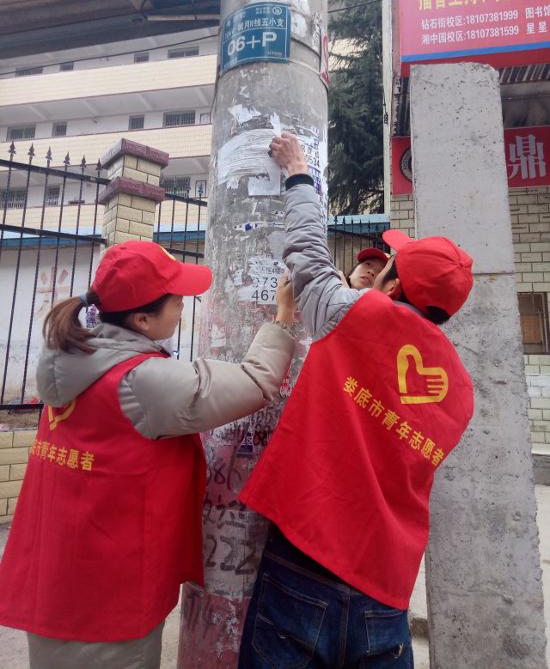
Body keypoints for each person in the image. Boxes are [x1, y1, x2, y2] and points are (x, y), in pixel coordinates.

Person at [0, 240, 296, 669]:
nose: (183, 307)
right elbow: (255, 382)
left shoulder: (69, 354)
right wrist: (283, 318)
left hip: (55, 577)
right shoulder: (142, 382)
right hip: (109, 599)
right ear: (141, 319)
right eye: (176, 300)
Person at [238, 133, 474, 668]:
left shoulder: (354, 314)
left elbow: (307, 252)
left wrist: (298, 173)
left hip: (304, 561)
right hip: (385, 592)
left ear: (391, 288)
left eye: (387, 266)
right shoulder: (461, 388)